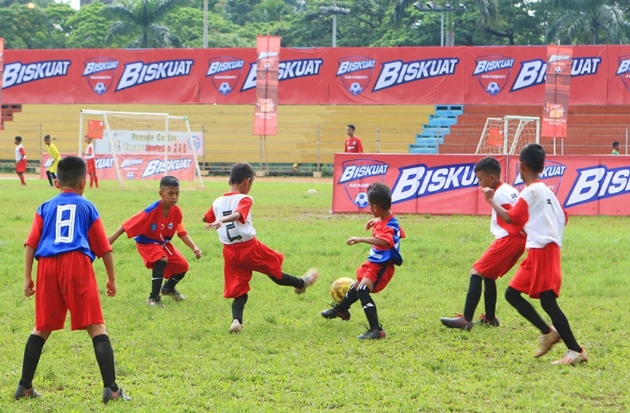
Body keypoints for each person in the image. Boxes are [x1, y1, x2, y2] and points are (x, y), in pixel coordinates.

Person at [15, 156, 130, 404]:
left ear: (56, 182)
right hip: (76, 263)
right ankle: (111, 389)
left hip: (46, 266)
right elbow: (104, 248)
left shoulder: (44, 207)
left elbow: (30, 244)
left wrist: (27, 277)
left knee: (42, 327)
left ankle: (24, 386)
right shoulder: (87, 207)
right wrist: (111, 279)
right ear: (84, 183)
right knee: (96, 326)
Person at [483, 143, 587, 365]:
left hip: (543, 250)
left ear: (521, 166)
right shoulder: (546, 190)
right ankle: (548, 332)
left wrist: (491, 200)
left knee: (548, 302)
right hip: (539, 249)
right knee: (512, 294)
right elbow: (564, 217)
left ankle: (575, 349)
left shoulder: (530, 192)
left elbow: (511, 218)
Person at [203, 162, 318, 333]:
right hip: (249, 248)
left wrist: (217, 219)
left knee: (239, 289)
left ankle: (236, 320)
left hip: (229, 253)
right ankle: (301, 283)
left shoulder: (217, 202)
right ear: (247, 182)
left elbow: (206, 218)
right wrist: (224, 219)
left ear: (229, 182)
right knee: (274, 270)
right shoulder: (245, 198)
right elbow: (238, 214)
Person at [440, 157, 526, 331]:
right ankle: (490, 318)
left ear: (491, 178)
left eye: (480, 179)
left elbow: (512, 217)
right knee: (489, 275)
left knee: (477, 272)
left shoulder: (500, 194)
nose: (479, 183)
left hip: (509, 237)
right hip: (516, 238)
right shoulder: (509, 189)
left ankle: (466, 319)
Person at [321, 182, 405, 340]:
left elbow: (387, 241)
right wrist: (377, 222)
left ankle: (376, 330)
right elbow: (395, 230)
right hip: (374, 262)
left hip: (381, 266)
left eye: (370, 205)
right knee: (357, 285)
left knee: (362, 290)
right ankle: (341, 310)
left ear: (375, 207)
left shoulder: (390, 225)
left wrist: (361, 239)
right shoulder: (386, 220)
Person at [108, 176, 202, 307]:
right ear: (161, 193)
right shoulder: (151, 210)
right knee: (161, 259)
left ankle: (168, 288)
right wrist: (111, 239)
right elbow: (128, 224)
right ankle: (153, 298)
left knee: (182, 266)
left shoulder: (176, 211)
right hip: (147, 242)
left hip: (163, 243)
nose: (174, 197)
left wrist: (194, 248)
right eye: (170, 193)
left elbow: (182, 232)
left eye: (177, 193)